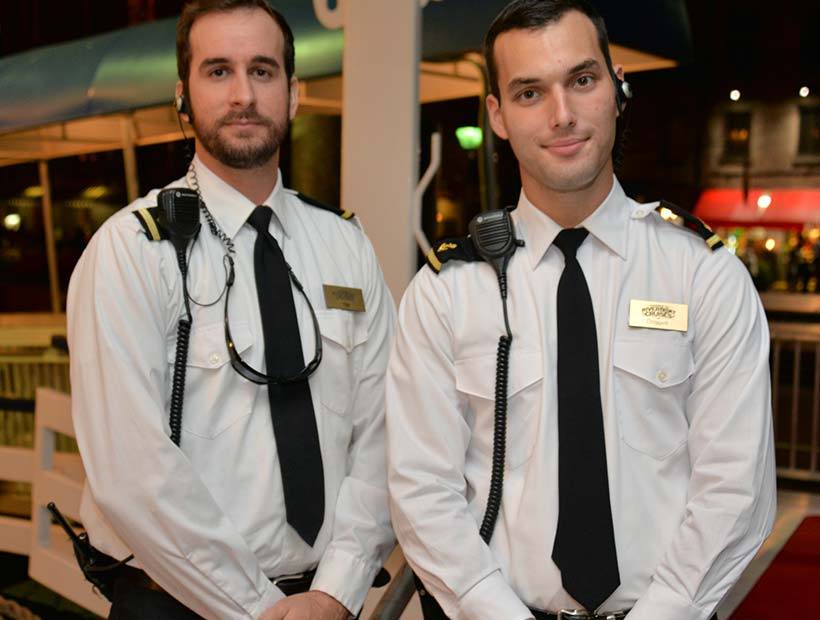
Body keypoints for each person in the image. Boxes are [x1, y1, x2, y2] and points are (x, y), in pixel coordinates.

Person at [385, 1, 776, 619]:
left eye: (582, 80)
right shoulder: (446, 293)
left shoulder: (705, 276)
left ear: (618, 87)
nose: (562, 115)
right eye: (530, 92)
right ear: (498, 116)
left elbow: (736, 487)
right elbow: (421, 493)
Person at [67, 1, 395, 618]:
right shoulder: (133, 251)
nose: (243, 94)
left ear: (294, 94)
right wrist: (255, 607)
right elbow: (131, 471)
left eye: (263, 71)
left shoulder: (345, 245)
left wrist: (335, 590)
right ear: (182, 98)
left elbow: (383, 432)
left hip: (325, 604)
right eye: (218, 71)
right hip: (178, 603)